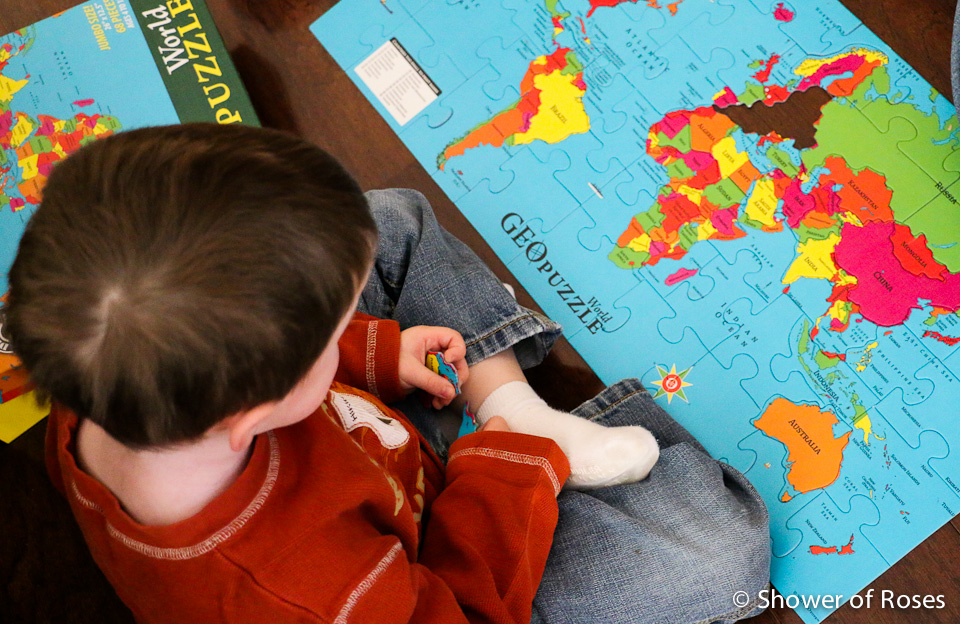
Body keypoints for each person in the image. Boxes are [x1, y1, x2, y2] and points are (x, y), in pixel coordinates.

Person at [3, 123, 770, 623]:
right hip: (434, 559)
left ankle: (518, 407)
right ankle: (522, 434)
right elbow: (460, 605)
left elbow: (279, 343)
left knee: (386, 220)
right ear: (255, 409)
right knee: (717, 552)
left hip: (366, 441)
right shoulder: (310, 593)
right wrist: (504, 472)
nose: (349, 328)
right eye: (334, 329)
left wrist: (374, 352)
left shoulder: (101, 363)